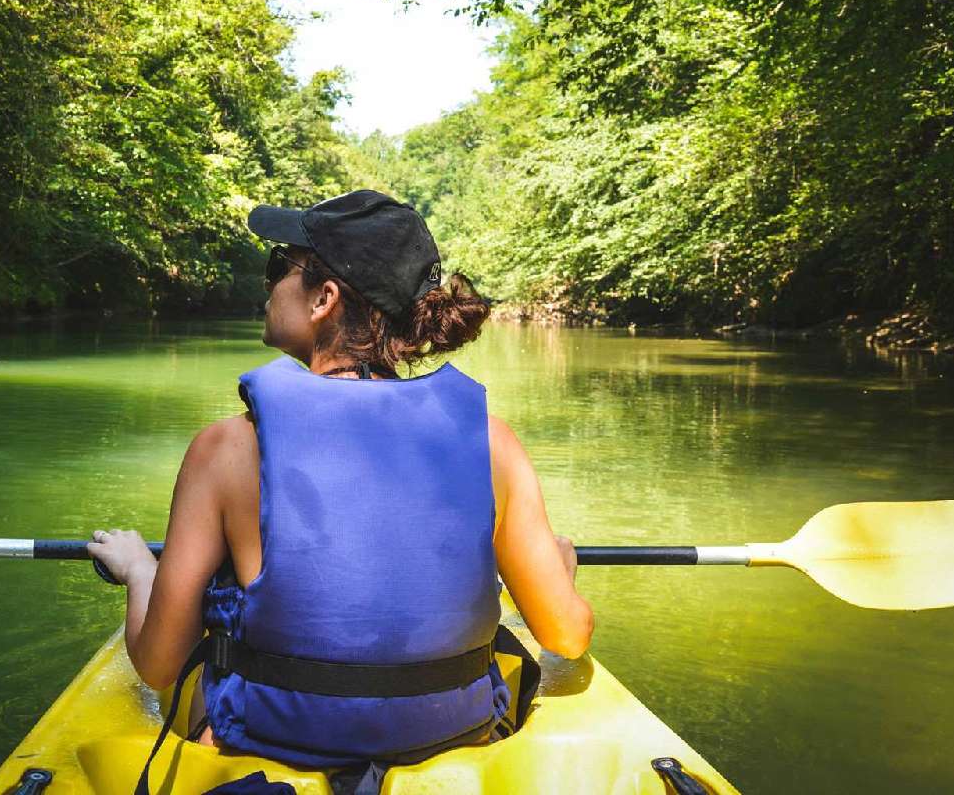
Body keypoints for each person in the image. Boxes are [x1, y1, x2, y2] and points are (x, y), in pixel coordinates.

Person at [88, 189, 593, 780]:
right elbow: (566, 634)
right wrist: (559, 572)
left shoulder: (226, 450)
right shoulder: (492, 444)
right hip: (453, 733)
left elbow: (158, 662)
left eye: (281, 267)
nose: (269, 283)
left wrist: (138, 570)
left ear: (324, 299)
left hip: (270, 741)